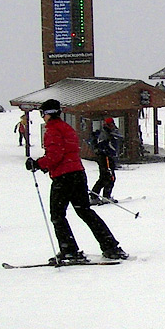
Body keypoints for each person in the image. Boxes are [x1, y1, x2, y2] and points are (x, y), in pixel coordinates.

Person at [24, 99, 128, 263]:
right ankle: (110, 246)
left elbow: (55, 156)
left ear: (48, 114)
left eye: (42, 114)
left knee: (57, 214)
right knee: (85, 211)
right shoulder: (67, 128)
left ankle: (69, 250)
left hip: (64, 178)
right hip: (78, 174)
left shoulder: (52, 130)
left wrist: (37, 164)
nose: (42, 117)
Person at [89, 117, 122, 204]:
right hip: (106, 157)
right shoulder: (105, 134)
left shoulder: (108, 133)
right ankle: (104, 196)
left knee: (104, 177)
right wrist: (108, 152)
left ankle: (95, 196)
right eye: (111, 124)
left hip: (106, 157)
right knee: (109, 177)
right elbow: (103, 146)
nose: (113, 126)